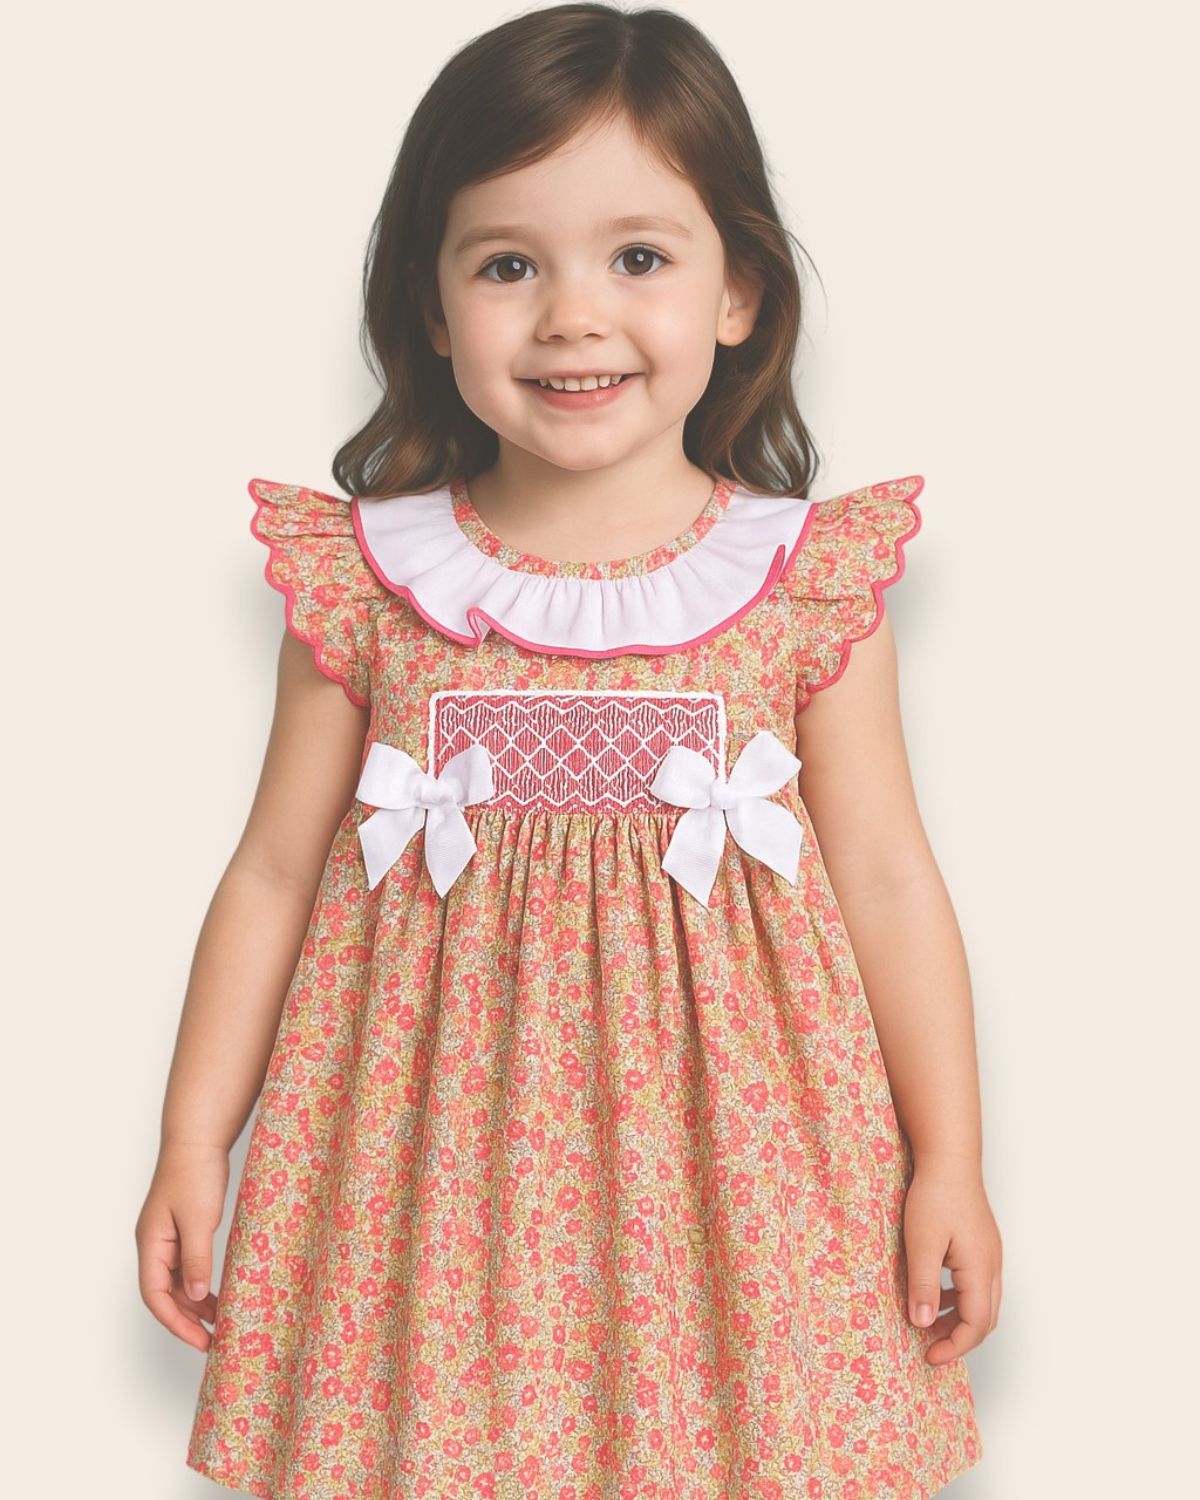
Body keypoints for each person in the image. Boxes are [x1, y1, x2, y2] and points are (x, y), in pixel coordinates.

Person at [136, 5, 1002, 1495]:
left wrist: (953, 1161)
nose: (571, 316)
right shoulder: (369, 584)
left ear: (739, 290)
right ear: (430, 306)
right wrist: (191, 1140)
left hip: (738, 1184)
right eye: (508, 265)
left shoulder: (800, 584)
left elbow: (885, 872)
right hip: (430, 1182)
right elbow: (274, 873)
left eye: (639, 257)